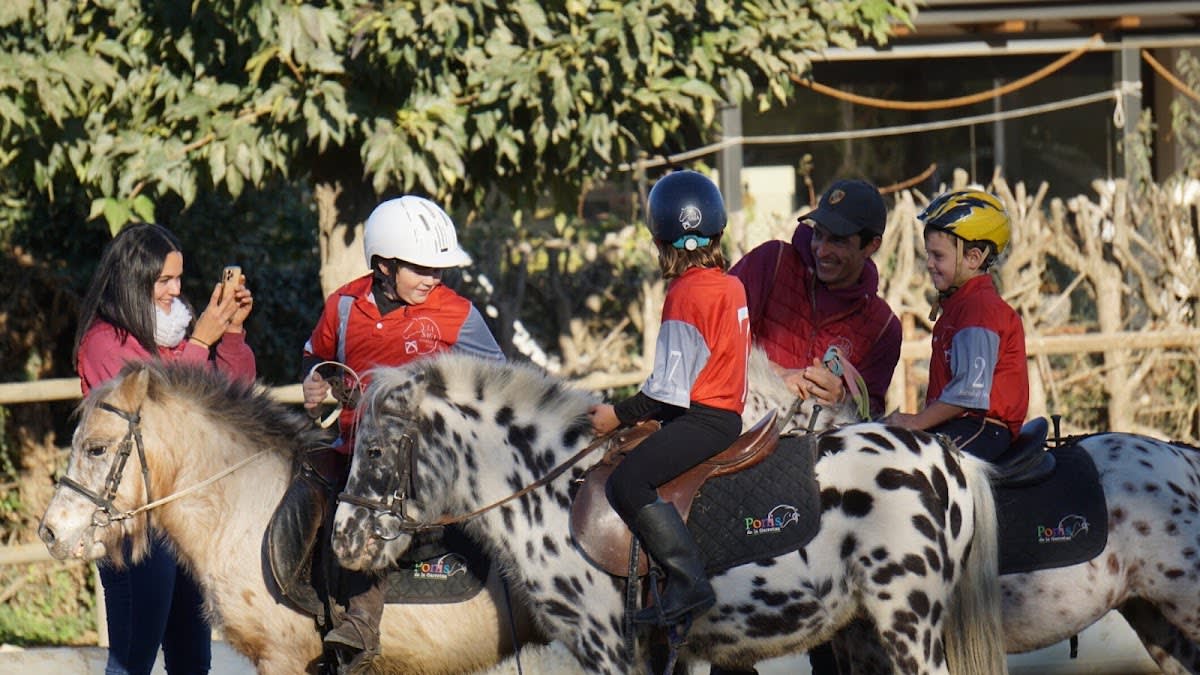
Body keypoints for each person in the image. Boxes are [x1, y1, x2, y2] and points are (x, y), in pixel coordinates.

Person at [300, 195, 504, 672]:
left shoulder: (456, 313)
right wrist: (316, 379)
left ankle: (360, 626)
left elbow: (500, 376)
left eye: (440, 269)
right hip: (353, 445)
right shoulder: (344, 305)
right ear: (384, 265)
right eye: (422, 268)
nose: (434, 278)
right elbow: (316, 356)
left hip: (424, 457)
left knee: (373, 502)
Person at [727, 180, 902, 673]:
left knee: (836, 641)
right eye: (819, 234)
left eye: (839, 241)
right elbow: (717, 340)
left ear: (872, 246)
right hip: (743, 464)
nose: (822, 249)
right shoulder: (771, 263)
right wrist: (777, 376)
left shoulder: (883, 326)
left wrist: (844, 395)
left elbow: (869, 416)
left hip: (821, 490)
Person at [74, 222, 255, 675]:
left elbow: (235, 392)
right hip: (135, 524)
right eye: (164, 281)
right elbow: (148, 418)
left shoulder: (177, 333)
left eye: (178, 278)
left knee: (193, 661)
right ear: (135, 279)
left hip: (185, 518)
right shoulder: (104, 343)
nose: (176, 290)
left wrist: (230, 333)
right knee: (132, 661)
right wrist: (199, 344)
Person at [588, 169, 750, 627]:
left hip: (702, 419)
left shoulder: (684, 294)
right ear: (717, 232)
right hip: (726, 415)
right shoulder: (730, 284)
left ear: (661, 242)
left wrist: (615, 416)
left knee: (626, 483)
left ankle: (687, 583)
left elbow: (665, 389)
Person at [884, 188, 1028, 461]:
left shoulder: (979, 310)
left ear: (973, 258)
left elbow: (968, 393)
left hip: (983, 428)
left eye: (938, 256)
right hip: (962, 424)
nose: (929, 264)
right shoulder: (959, 307)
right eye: (928, 255)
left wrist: (916, 422)